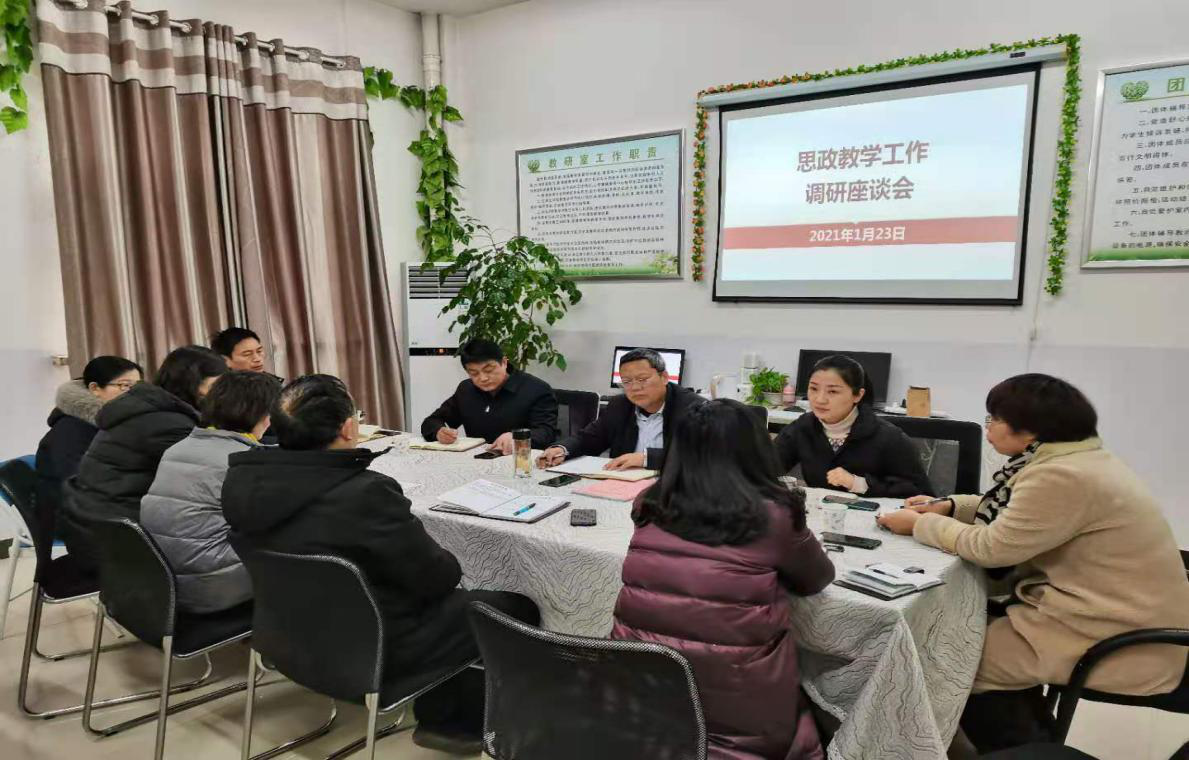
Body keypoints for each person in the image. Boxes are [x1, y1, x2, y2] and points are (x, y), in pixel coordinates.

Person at [221, 374, 539, 755]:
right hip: (375, 648)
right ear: (347, 428)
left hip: (286, 637)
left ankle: (447, 708)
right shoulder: (363, 493)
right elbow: (436, 577)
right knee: (515, 607)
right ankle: (459, 717)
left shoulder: (242, 480)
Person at [877, 374, 1189, 754]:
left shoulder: (1061, 475)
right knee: (960, 634)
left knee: (955, 658)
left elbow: (992, 547)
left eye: (995, 419)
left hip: (1109, 628)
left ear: (1030, 429)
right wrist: (951, 506)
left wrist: (920, 524)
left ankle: (1025, 749)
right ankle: (1028, 736)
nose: (988, 426)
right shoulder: (1077, 458)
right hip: (1111, 609)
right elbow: (1018, 513)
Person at [611, 399, 835, 760]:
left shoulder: (650, 501)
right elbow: (816, 579)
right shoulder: (775, 513)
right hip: (736, 697)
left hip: (641, 683)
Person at [60, 346, 228, 572]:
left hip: (97, 527)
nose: (223, 394)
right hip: (122, 542)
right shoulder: (168, 423)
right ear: (192, 384)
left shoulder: (148, 408)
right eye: (217, 385)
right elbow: (211, 478)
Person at [140, 371, 279, 614]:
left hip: (163, 585)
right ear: (264, 414)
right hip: (212, 588)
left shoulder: (179, 448)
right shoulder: (244, 462)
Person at [773, 354, 933, 498]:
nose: (820, 399)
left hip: (876, 518)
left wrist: (859, 483)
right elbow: (767, 467)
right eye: (813, 388)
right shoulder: (802, 427)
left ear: (858, 395)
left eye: (833, 392)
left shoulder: (888, 437)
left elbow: (921, 493)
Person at [537, 348, 705, 471]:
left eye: (642, 379)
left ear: (664, 377)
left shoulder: (694, 408)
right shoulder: (619, 405)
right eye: (627, 382)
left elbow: (702, 455)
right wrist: (561, 449)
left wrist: (646, 459)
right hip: (623, 483)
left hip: (675, 489)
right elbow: (588, 439)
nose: (635, 387)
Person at [35, 356, 143, 544]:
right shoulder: (70, 430)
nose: (133, 394)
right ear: (95, 388)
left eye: (138, 387)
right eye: (124, 386)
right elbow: (79, 484)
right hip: (75, 517)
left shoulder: (113, 422)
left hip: (104, 505)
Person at [421, 339, 559, 454]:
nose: (483, 378)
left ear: (504, 362)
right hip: (477, 461)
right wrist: (439, 431)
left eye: (489, 370)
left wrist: (516, 437)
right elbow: (432, 420)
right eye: (474, 373)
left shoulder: (536, 389)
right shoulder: (466, 389)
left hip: (520, 461)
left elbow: (546, 432)